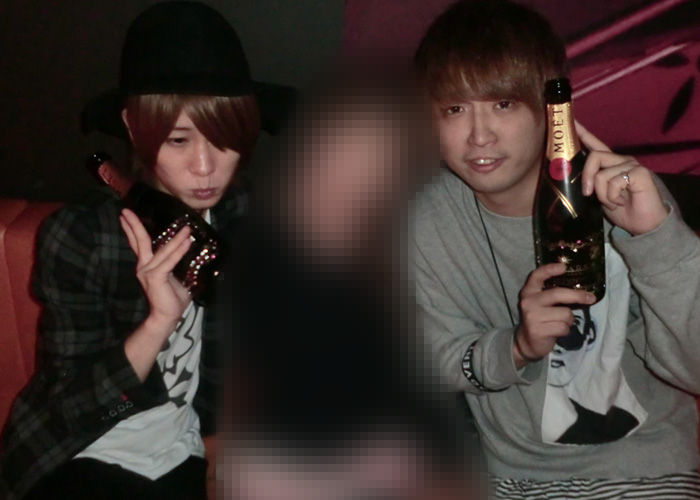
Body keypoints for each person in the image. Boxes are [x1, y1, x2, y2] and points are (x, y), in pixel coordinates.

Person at [0, 2, 292, 499]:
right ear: (135, 129)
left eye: (223, 140)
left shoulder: (244, 218)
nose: (205, 167)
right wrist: (159, 321)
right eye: (179, 140)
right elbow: (71, 410)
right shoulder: (83, 237)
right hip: (84, 449)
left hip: (181, 449)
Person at [411, 0, 700, 498]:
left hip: (645, 467)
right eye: (455, 109)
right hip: (512, 477)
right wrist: (516, 347)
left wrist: (656, 238)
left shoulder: (622, 197)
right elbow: (433, 356)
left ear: (550, 110)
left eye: (503, 104)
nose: (479, 135)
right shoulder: (428, 216)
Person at [216, 70, 482, 500]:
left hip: (387, 447)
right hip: (284, 457)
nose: (355, 169)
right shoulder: (254, 243)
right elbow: (234, 380)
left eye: (376, 154)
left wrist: (441, 465)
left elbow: (425, 380)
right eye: (343, 149)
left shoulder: (407, 243)